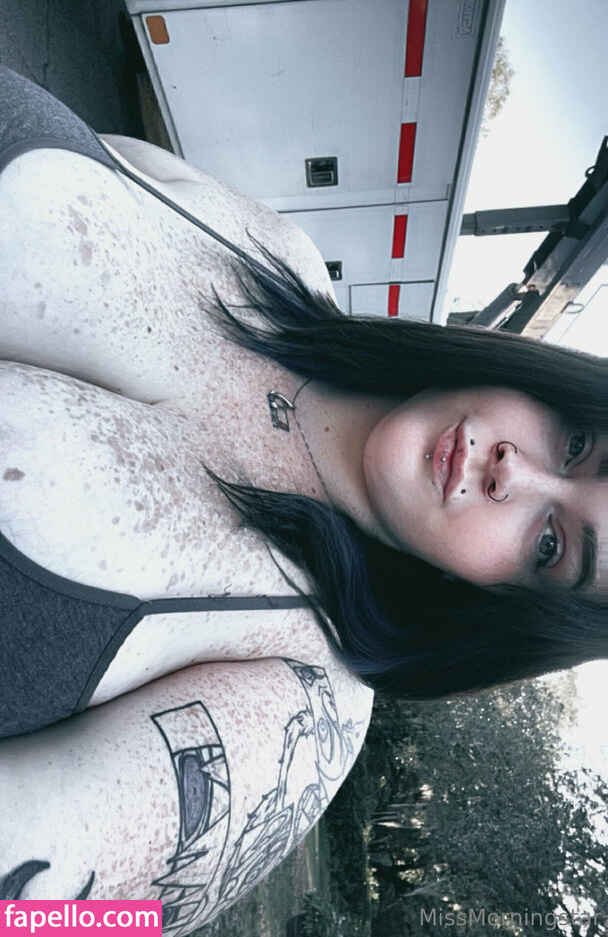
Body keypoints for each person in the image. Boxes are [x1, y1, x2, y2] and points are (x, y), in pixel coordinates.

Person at [0, 67, 606, 922]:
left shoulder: (300, 712)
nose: (514, 471)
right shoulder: (276, 252)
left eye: (551, 543)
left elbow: (42, 916)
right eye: (575, 445)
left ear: (503, 603)